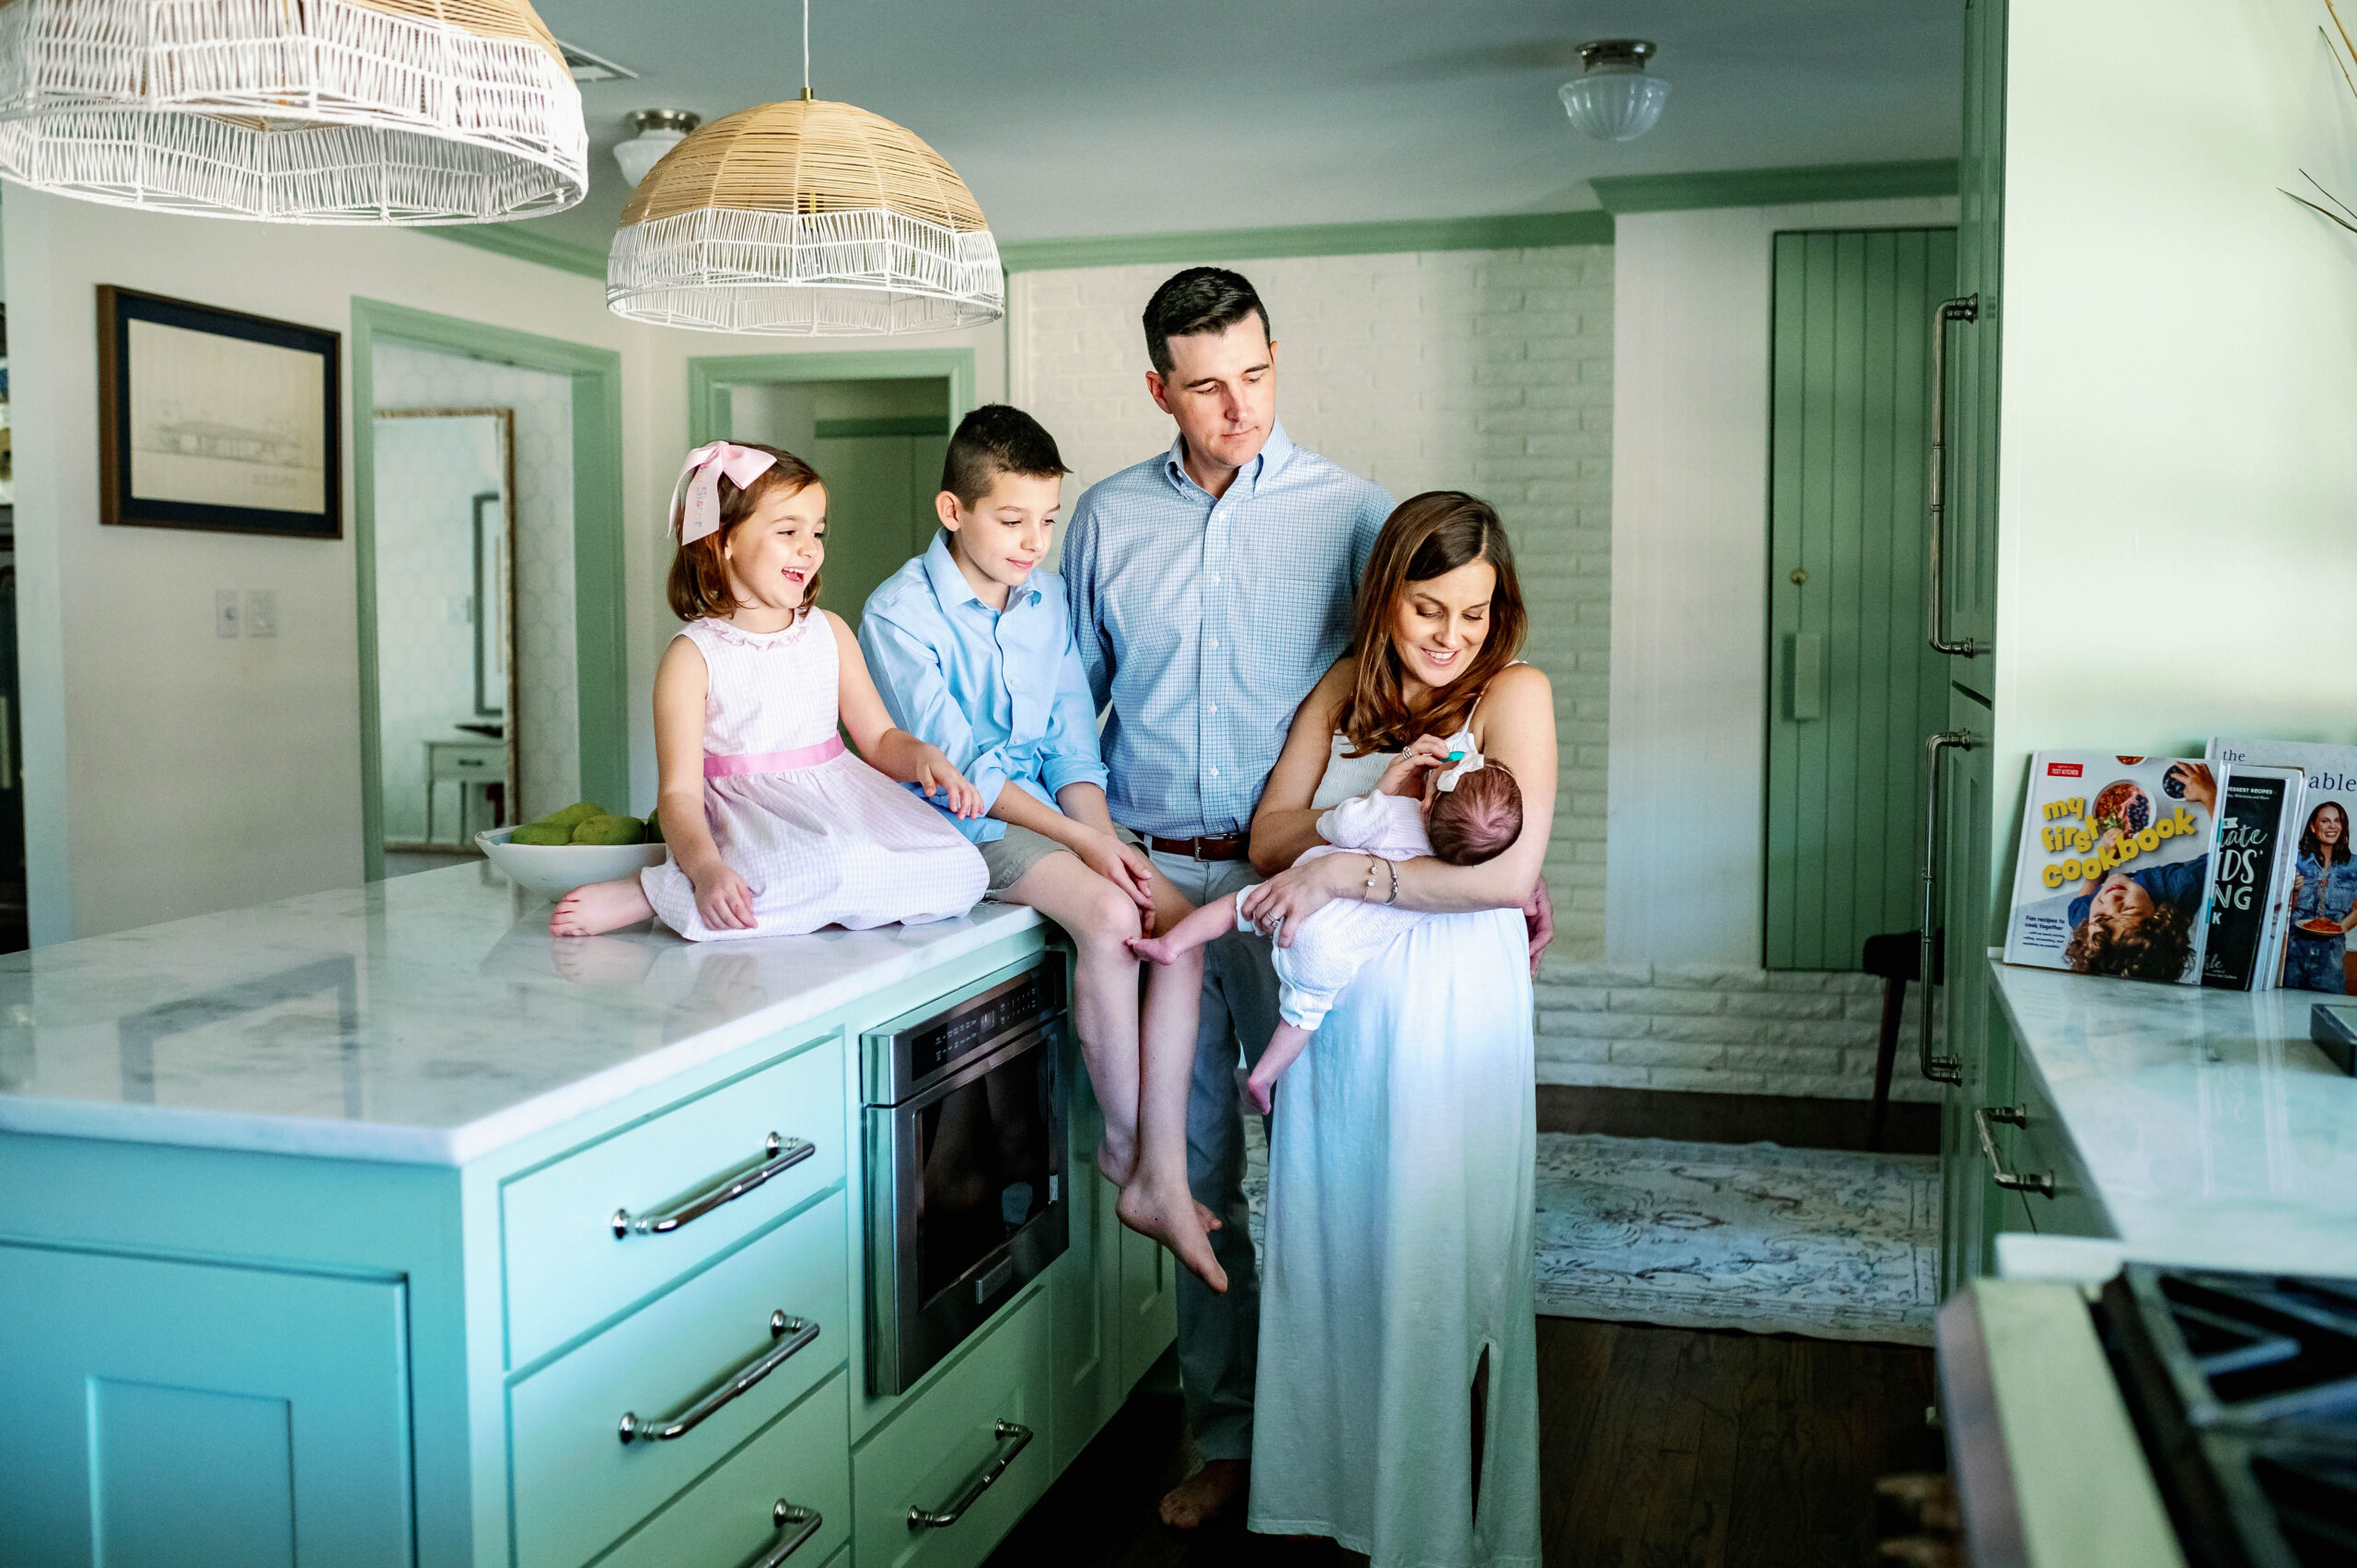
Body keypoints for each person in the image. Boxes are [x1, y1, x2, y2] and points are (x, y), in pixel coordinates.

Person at [1060, 266, 1403, 1527]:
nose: (1237, 403)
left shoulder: (1356, 513)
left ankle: (1355, 1429)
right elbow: (1065, 718)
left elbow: (1429, 687)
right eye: (1205, 386)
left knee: (1332, 1157)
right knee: (1195, 1171)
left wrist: (1476, 870)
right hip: (1154, 885)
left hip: (1295, 890)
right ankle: (1233, 1437)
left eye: (1254, 374)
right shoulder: (1100, 522)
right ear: (1159, 387)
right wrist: (1095, 850)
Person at [1239, 491, 1547, 1566]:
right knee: (1338, 1241)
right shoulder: (1341, 689)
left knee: (1445, 1250)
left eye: (1473, 611)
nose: (1451, 634)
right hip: (1344, 1011)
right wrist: (1342, 827)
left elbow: (1506, 877)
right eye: (1428, 608)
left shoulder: (1513, 692)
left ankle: (1440, 1525)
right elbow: (1266, 834)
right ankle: (1341, 1498)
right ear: (1385, 597)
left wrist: (1351, 868)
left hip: (1456, 1006)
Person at [860, 404, 1225, 1290]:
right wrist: (1089, 850)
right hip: (958, 827)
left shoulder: (1049, 597)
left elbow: (1071, 743)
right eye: (1012, 519)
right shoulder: (897, 613)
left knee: (1178, 923)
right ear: (954, 512)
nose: (1035, 541)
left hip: (1053, 821)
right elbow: (968, 776)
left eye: (1048, 520)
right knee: (1110, 911)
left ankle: (1158, 1174)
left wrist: (1107, 840)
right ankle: (1133, 1152)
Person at [551, 442, 987, 940]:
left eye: (818, 532)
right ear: (722, 540)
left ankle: (803, 895)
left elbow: (881, 739)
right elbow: (678, 794)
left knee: (962, 870)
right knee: (831, 866)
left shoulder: (830, 631)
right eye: (788, 531)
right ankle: (658, 890)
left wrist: (923, 756)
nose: (811, 548)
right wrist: (706, 869)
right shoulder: (693, 657)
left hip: (840, 800)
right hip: (751, 817)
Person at [1130, 752, 1523, 1114]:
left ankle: (1170, 944)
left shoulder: (1397, 814)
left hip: (1294, 900)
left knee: (1234, 908)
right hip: (1329, 954)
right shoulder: (1445, 879)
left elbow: (1342, 825)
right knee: (1301, 1016)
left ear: (1429, 803)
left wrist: (1381, 790)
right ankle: (1263, 1077)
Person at [2061, 762, 2214, 981]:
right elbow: (2229, 849)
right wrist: (2210, 796)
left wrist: (2106, 856)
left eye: (2101, 916)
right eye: (2128, 909)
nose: (2112, 898)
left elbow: (2088, 888)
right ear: (2160, 917)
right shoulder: (2183, 884)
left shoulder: (2083, 918)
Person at [2284, 799, 2356, 993]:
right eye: (2325, 821)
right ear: (2313, 827)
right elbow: (2279, 911)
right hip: (2293, 955)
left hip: (2331, 959)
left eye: (2338, 821)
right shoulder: (2294, 860)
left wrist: (2340, 927)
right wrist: (2294, 892)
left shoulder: (2354, 866)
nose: (2332, 826)